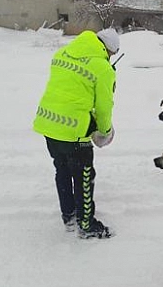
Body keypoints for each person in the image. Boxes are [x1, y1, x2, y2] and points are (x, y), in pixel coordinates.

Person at [33, 27, 119, 239]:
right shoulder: (103, 68)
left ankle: (69, 214)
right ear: (109, 50)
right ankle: (86, 224)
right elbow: (104, 107)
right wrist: (105, 131)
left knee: (62, 171)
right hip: (73, 130)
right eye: (112, 54)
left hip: (49, 125)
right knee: (84, 176)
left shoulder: (62, 53)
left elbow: (70, 90)